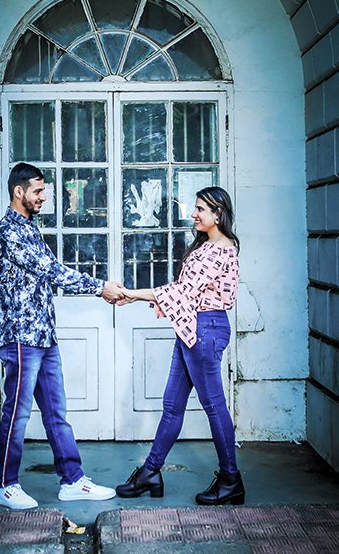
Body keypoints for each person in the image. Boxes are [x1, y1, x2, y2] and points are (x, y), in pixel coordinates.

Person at [0, 162, 124, 510]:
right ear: (18, 191)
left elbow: (51, 270)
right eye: (37, 191)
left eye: (43, 191)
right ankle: (5, 485)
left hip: (43, 335)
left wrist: (100, 287)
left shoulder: (30, 229)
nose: (43, 197)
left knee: (56, 412)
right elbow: (51, 270)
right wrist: (100, 287)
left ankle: (72, 480)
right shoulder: (8, 232)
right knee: (17, 413)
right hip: (21, 337)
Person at [113, 186, 244, 506]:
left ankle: (231, 480)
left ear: (218, 214)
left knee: (214, 406)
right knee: (172, 404)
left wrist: (132, 294)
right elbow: (184, 291)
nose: (194, 214)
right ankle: (150, 472)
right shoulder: (207, 245)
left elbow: (182, 292)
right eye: (195, 208)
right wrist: (137, 297)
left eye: (201, 209)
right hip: (192, 329)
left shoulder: (221, 249)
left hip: (205, 329)